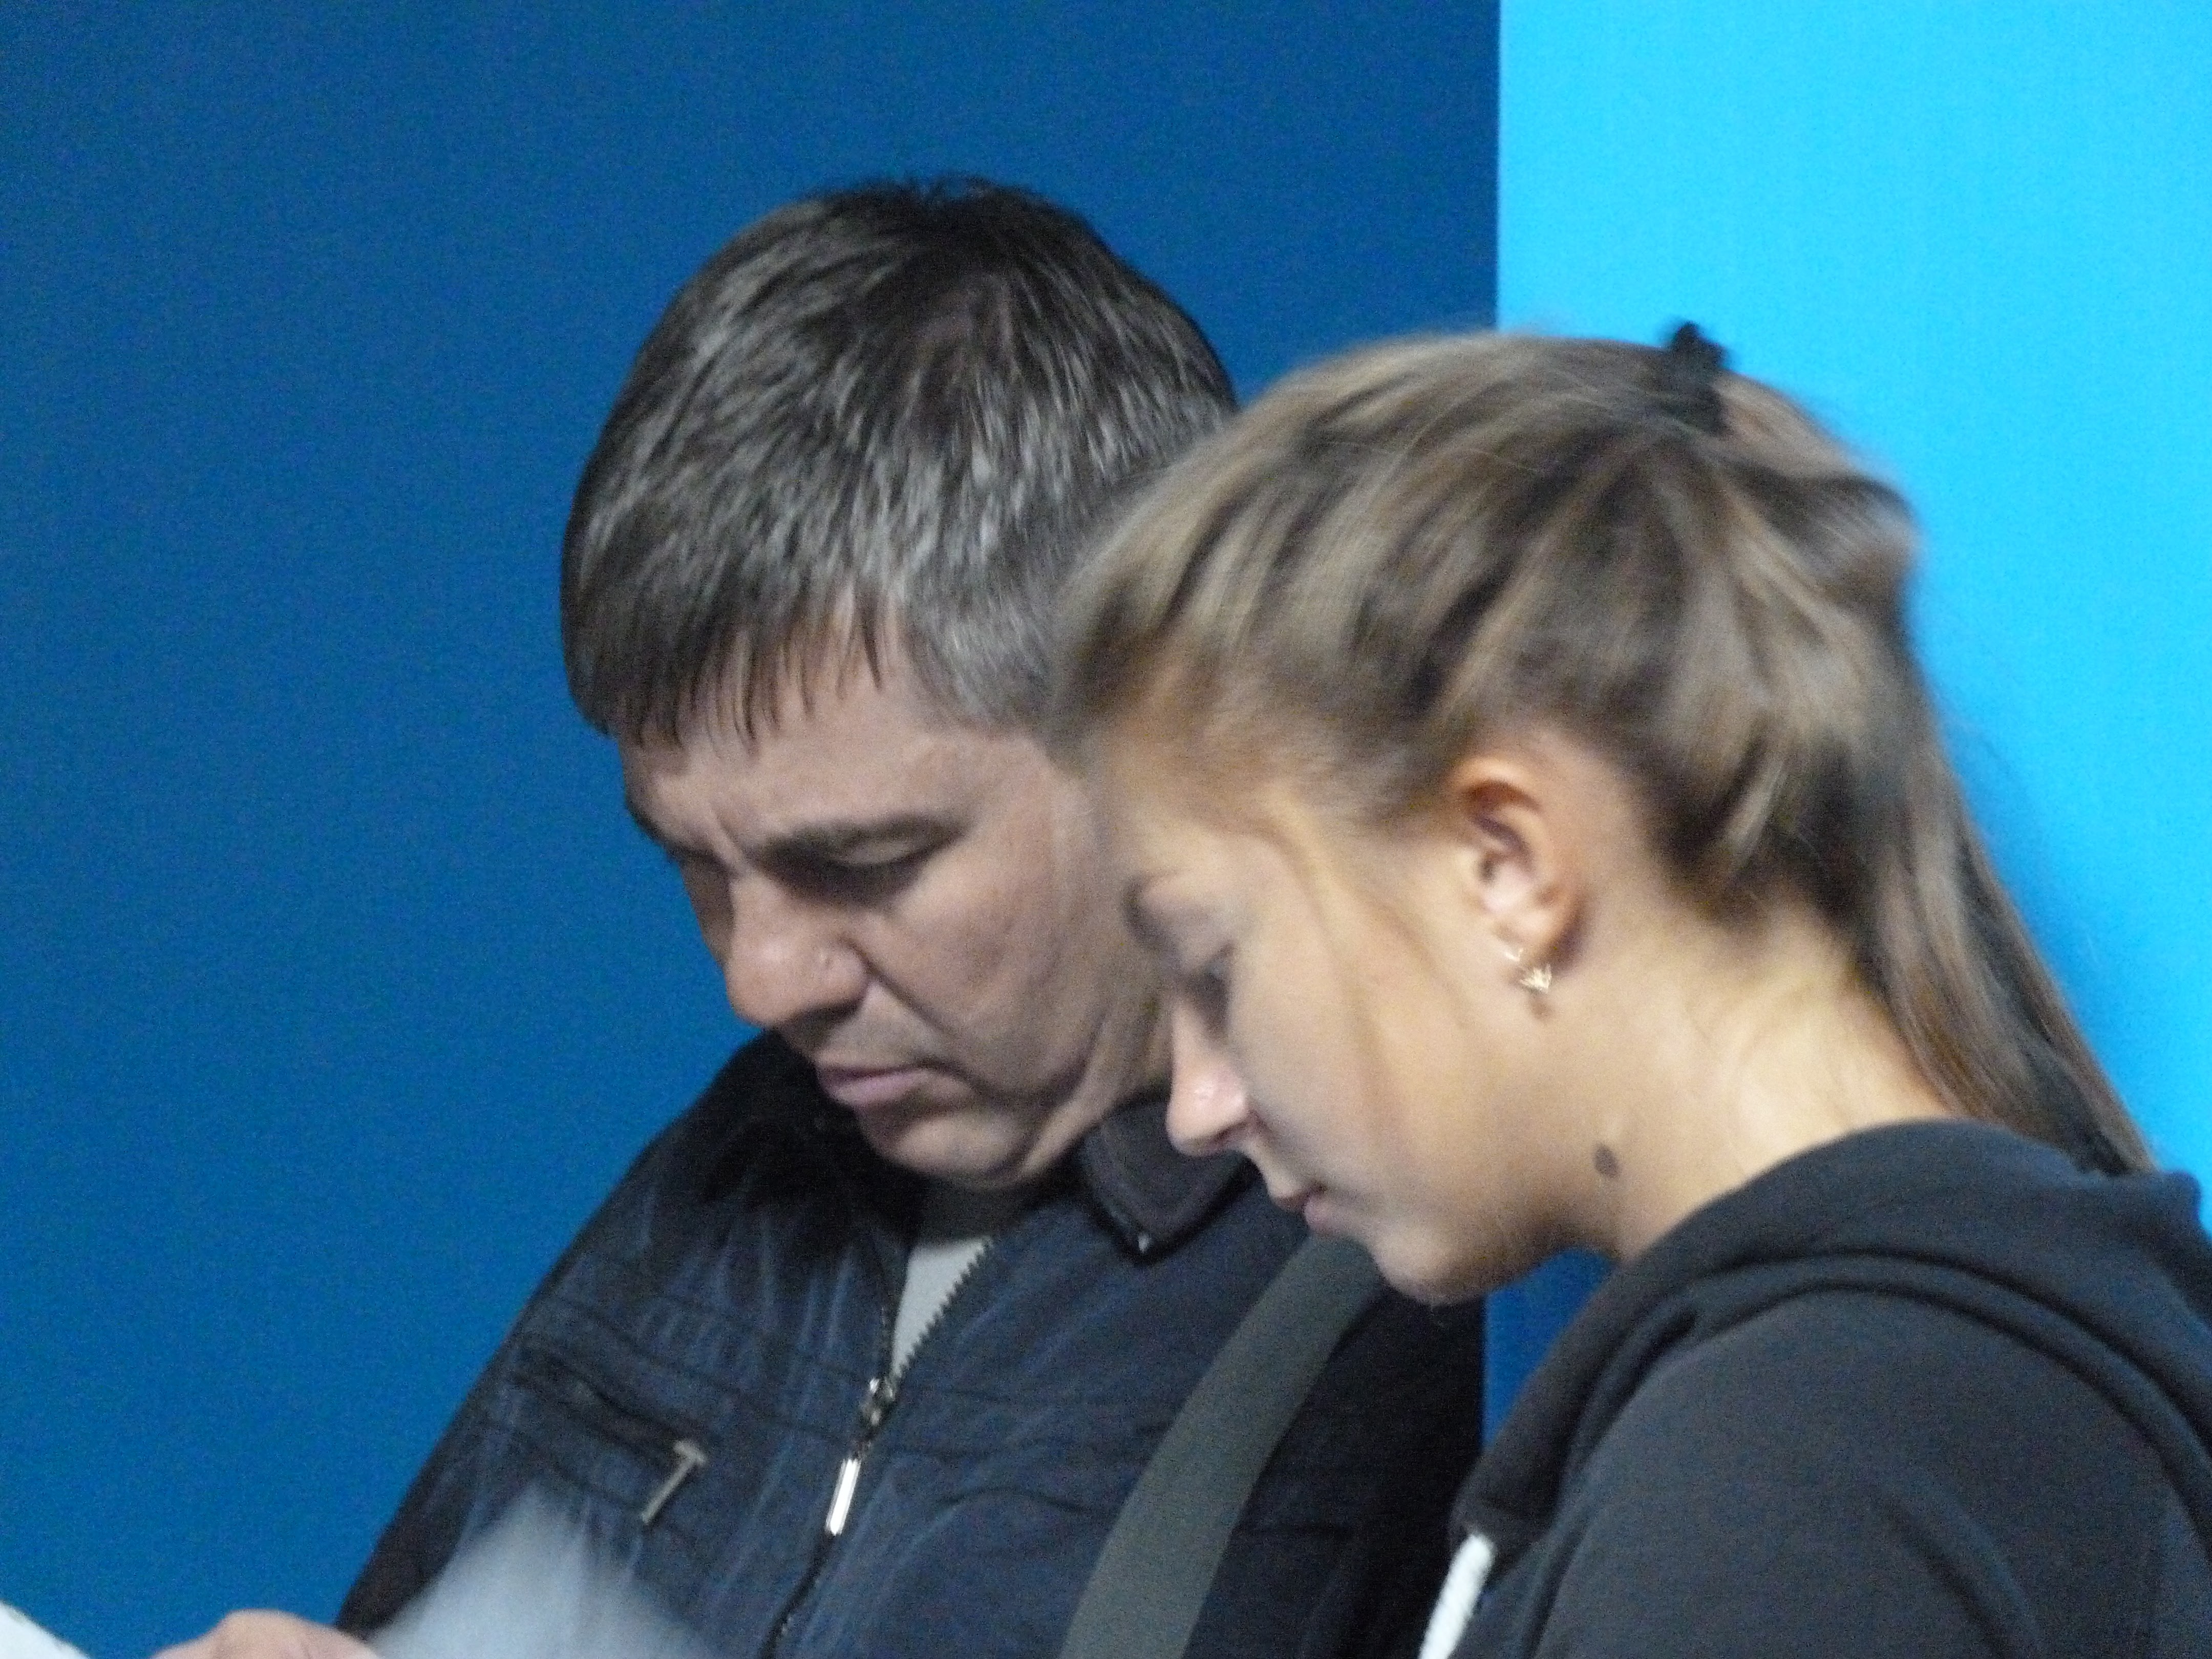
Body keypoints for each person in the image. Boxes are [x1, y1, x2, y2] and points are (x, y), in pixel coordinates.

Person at [158, 181, 1484, 1659]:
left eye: (862, 865)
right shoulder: (726, 1175)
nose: (760, 980)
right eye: (695, 868)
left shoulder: (1430, 1274)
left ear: (1158, 726)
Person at [1054, 326, 2212, 1656]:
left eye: (1214, 967)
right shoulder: (1941, 1404)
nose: (1197, 1105)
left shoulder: (1781, 1506)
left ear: (1507, 865)